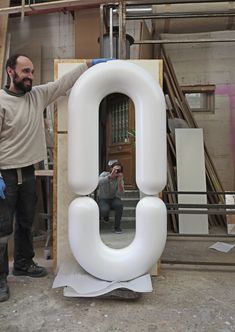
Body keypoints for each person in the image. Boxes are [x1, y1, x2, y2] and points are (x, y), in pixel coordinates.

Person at [0, 54, 111, 302]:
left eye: (31, 71)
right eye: (24, 71)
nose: (30, 76)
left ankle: (23, 264)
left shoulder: (37, 95)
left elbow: (63, 84)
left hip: (28, 171)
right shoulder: (1, 102)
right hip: (4, 174)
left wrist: (90, 64)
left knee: (26, 221)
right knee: (2, 228)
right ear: (10, 72)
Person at [98, 161, 124, 234]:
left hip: (113, 199)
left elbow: (120, 194)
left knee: (119, 205)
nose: (116, 171)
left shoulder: (119, 178)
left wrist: (119, 182)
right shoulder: (104, 174)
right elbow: (97, 182)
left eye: (118, 170)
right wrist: (109, 177)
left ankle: (117, 227)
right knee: (104, 210)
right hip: (103, 199)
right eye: (115, 169)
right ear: (111, 168)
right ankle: (105, 215)